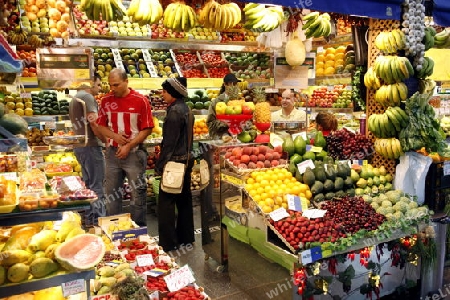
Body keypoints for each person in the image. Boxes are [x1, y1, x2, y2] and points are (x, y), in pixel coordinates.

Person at [96, 68, 154, 226]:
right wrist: (114, 137)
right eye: (110, 85)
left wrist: (129, 145)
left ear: (126, 82)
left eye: (116, 85)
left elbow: (148, 128)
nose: (112, 88)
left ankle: (138, 229)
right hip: (112, 154)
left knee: (138, 194)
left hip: (134, 154)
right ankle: (113, 228)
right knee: (111, 194)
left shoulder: (140, 100)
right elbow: (101, 126)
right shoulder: (106, 101)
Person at [155, 77, 195, 252]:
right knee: (184, 200)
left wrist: (160, 164)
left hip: (174, 164)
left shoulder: (174, 112)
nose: (162, 95)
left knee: (166, 204)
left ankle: (169, 243)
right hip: (186, 161)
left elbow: (169, 143)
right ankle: (186, 237)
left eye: (164, 91)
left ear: (172, 92)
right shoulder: (187, 109)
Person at [68, 73, 106, 226]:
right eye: (98, 84)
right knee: (98, 186)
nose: (100, 87)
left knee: (88, 186)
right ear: (90, 83)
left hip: (80, 147)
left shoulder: (75, 97)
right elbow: (94, 124)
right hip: (91, 146)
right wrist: (106, 141)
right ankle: (98, 223)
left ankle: (90, 221)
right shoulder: (87, 97)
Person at [206, 73, 240, 140]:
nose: (233, 86)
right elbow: (210, 123)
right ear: (225, 84)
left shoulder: (240, 102)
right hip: (221, 139)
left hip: (238, 139)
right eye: (231, 83)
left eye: (235, 84)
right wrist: (225, 123)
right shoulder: (216, 102)